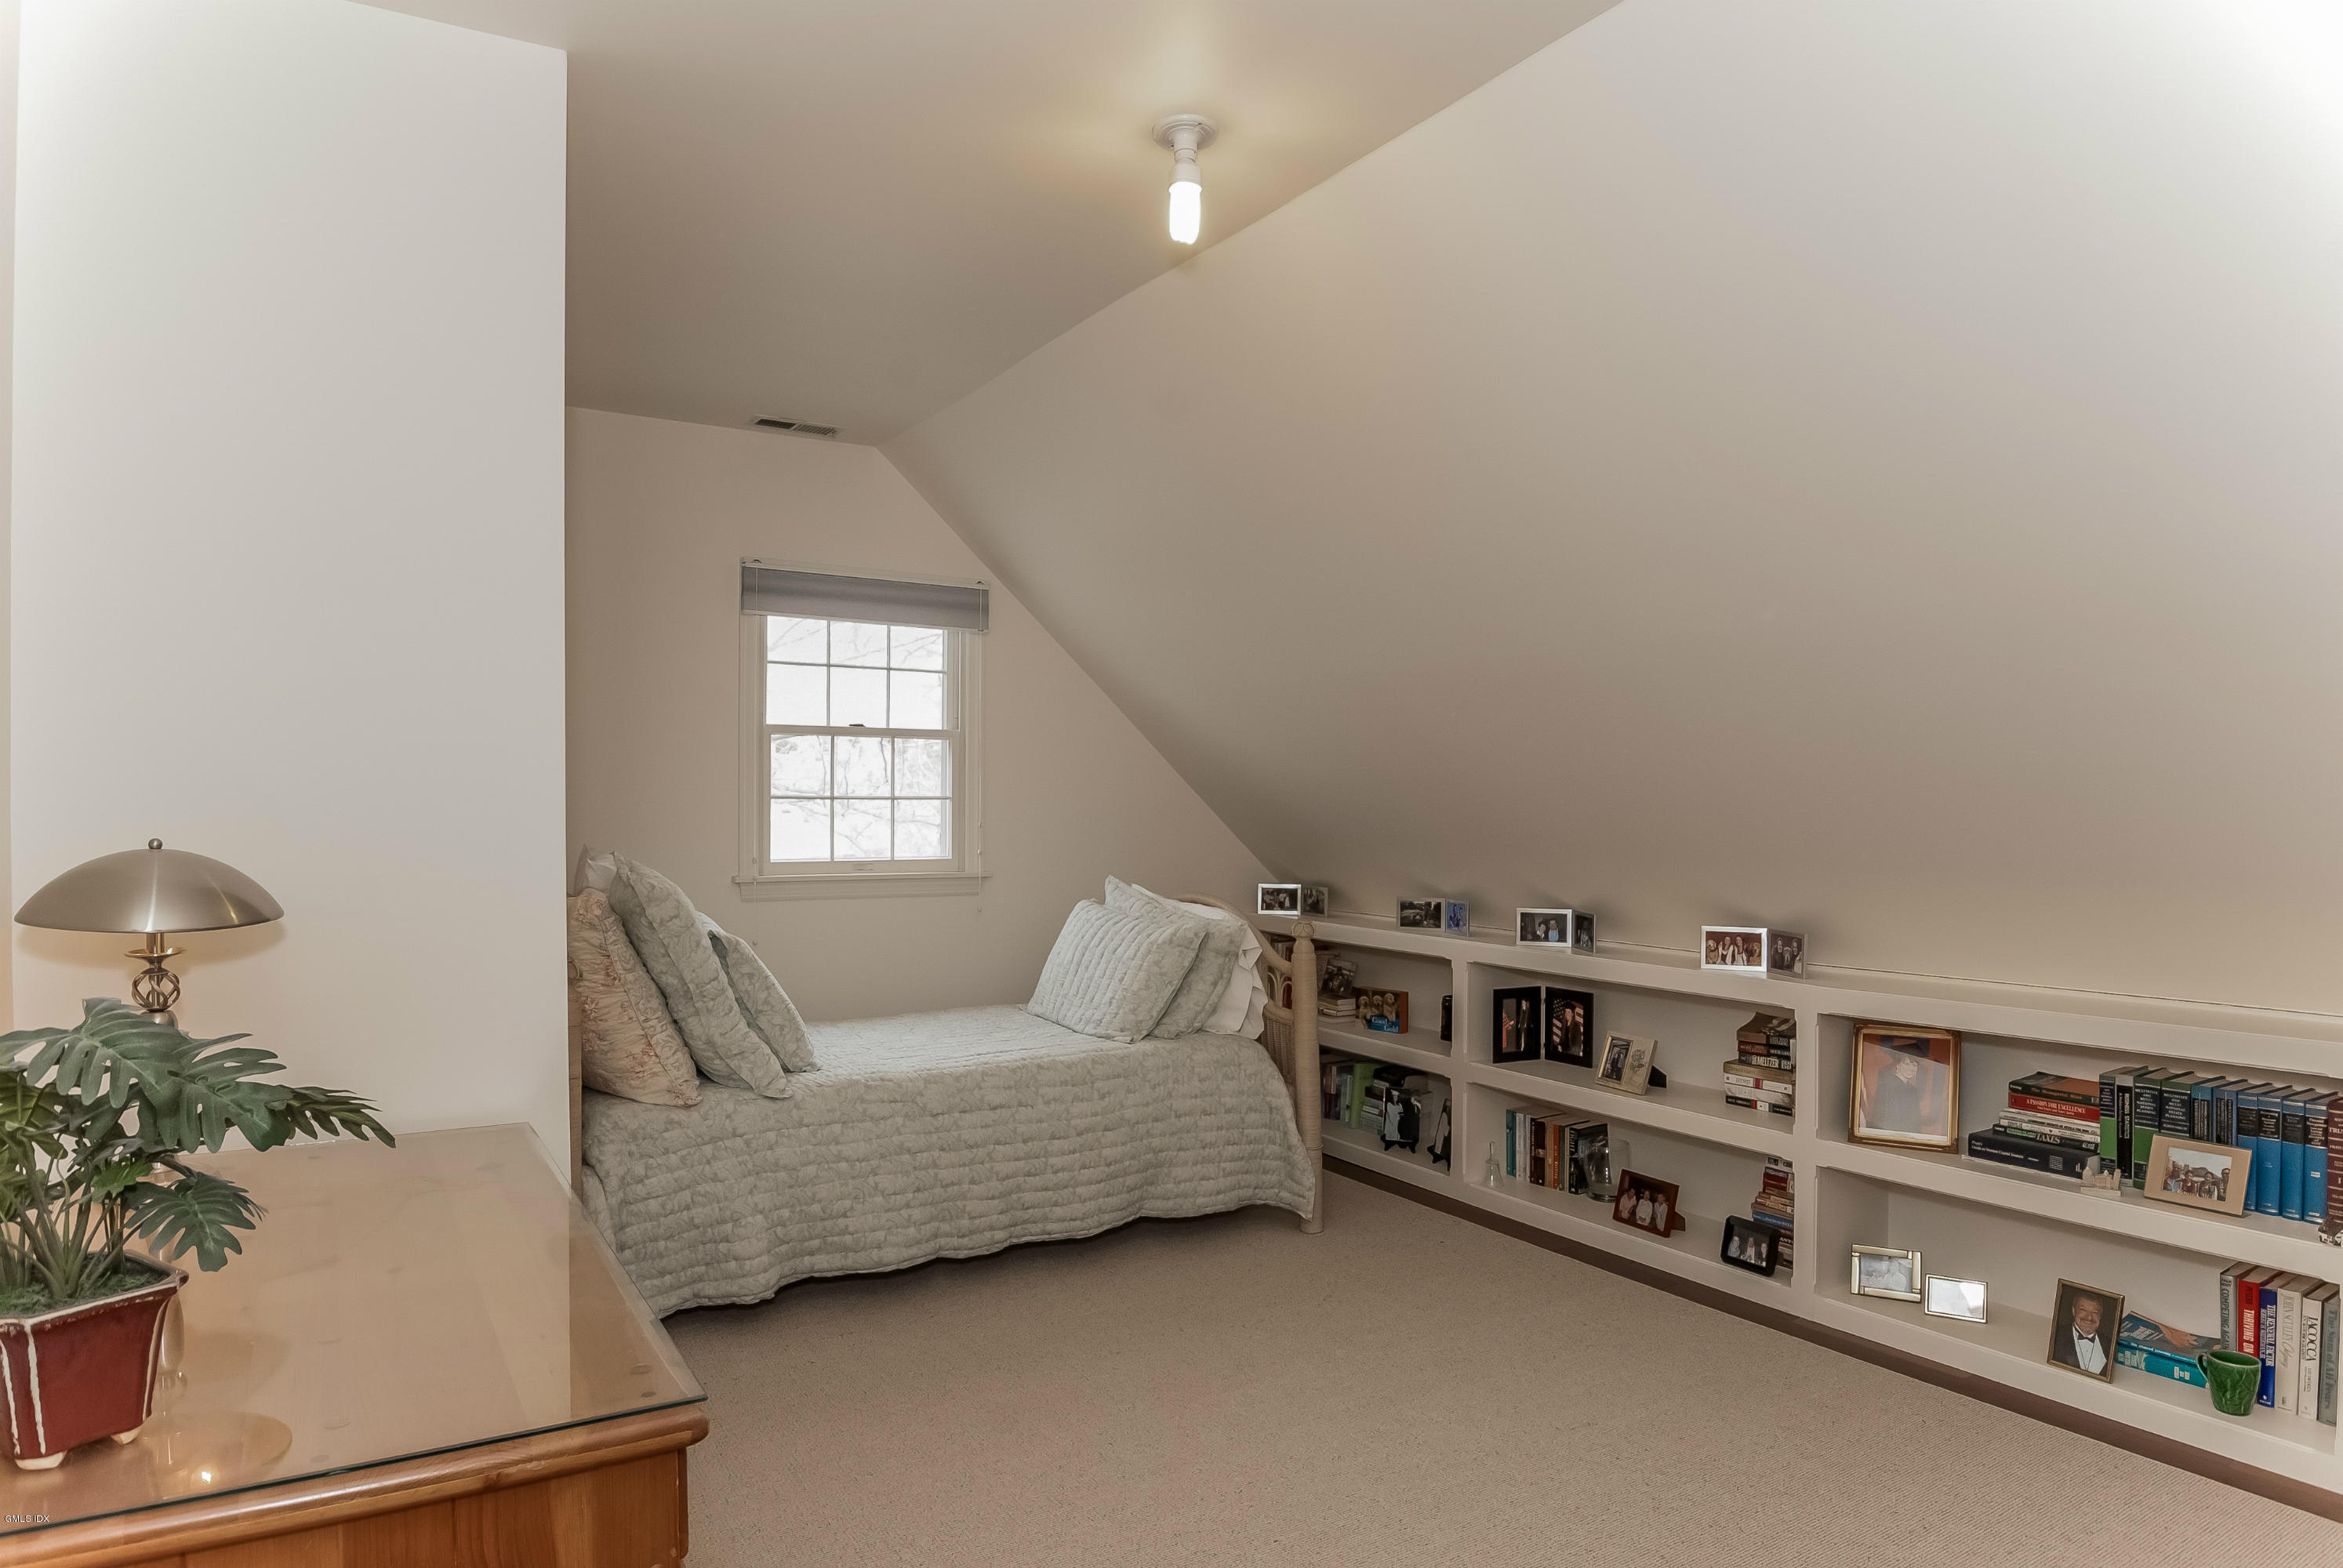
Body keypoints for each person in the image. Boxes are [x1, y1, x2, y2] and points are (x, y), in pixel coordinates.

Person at [1864, 1039, 1947, 1138]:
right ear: (1898, 1065)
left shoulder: (1913, 1090)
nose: (1911, 1068)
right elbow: (1880, 1119)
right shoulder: (1886, 1087)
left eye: (1915, 1065)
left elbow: (1917, 1121)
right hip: (1890, 1138)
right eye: (1907, 1064)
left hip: (1910, 1138)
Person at [2052, 1290, 2112, 1375]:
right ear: (2074, 1311)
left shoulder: (2110, 1344)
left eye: (2095, 1312)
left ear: (2100, 1316)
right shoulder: (2057, 1336)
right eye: (2083, 1310)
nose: (2089, 1318)